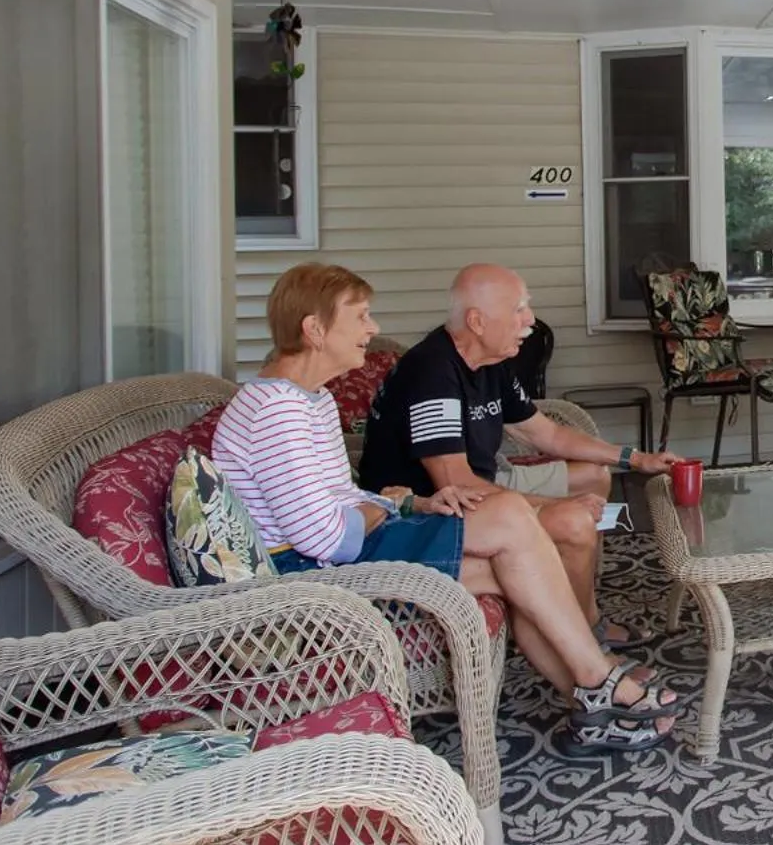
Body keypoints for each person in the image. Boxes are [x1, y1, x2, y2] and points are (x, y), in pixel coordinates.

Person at [212, 262, 680, 757]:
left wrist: (408, 502)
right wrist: (388, 507)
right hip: (311, 580)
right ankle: (600, 676)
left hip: (348, 550)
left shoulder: (311, 401)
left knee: (517, 567)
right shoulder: (274, 412)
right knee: (510, 520)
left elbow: (343, 500)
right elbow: (328, 539)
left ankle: (593, 706)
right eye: (361, 316)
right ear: (314, 329)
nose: (373, 329)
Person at [359, 263, 684, 651]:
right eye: (519, 309)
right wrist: (554, 505)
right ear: (477, 321)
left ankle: (580, 600)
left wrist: (635, 459)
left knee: (594, 476)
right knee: (575, 520)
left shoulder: (491, 362)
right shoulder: (433, 373)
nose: (529, 321)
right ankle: (584, 633)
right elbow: (456, 484)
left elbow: (545, 433)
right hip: (431, 506)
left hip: (487, 479)